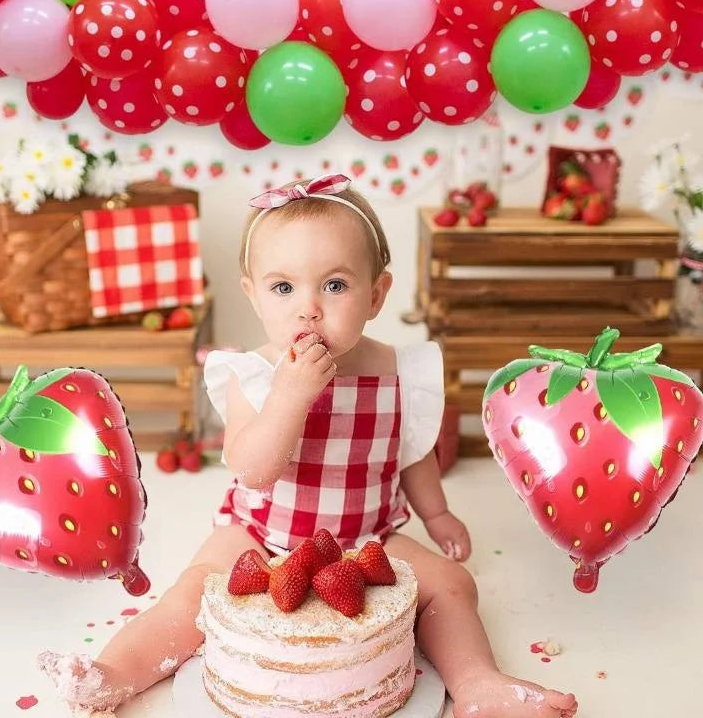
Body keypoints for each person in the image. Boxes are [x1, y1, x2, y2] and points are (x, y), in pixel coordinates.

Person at [39, 173, 578, 718]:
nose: (309, 309)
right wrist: (289, 396)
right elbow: (253, 470)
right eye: (283, 288)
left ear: (376, 294)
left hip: (368, 536)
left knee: (452, 586)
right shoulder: (251, 373)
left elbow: (408, 452)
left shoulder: (400, 371)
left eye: (336, 286)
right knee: (192, 594)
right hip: (259, 530)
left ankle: (477, 684)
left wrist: (435, 514)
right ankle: (114, 675)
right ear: (252, 295)